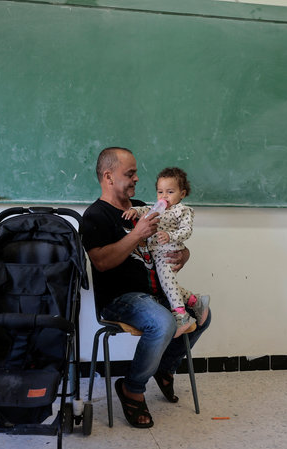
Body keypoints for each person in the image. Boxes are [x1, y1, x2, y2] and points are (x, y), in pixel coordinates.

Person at [81, 147, 211, 428]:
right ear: (109, 176)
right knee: (163, 322)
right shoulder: (95, 216)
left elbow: (172, 241)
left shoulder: (144, 205)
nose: (137, 178)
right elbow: (101, 262)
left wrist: (184, 254)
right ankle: (132, 389)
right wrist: (136, 235)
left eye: (136, 173)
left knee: (202, 314)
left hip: (155, 292)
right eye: (130, 174)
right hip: (120, 299)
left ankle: (164, 369)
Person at [122, 167, 210, 338]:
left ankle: (181, 316)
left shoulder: (182, 210)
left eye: (170, 192)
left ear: (182, 194)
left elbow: (187, 231)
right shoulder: (156, 208)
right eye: (160, 192)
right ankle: (195, 301)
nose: (164, 197)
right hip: (156, 255)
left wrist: (170, 236)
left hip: (168, 252)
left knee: (167, 282)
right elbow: (144, 210)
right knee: (167, 284)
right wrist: (134, 211)